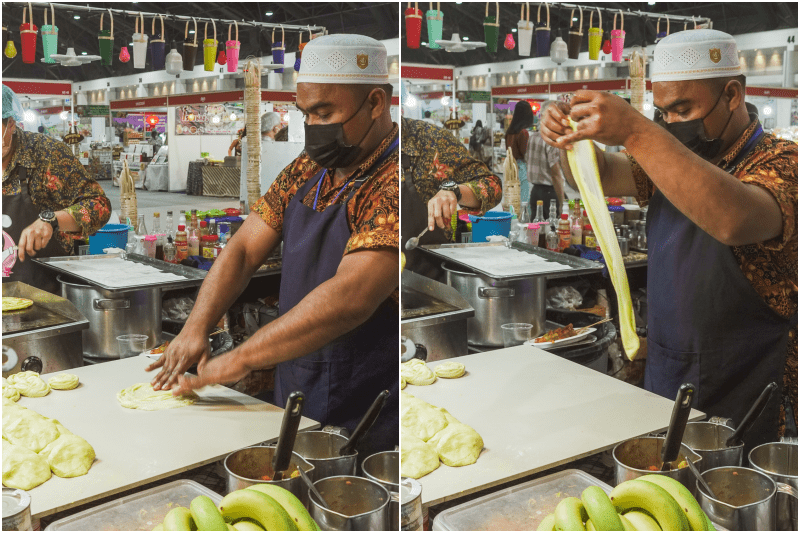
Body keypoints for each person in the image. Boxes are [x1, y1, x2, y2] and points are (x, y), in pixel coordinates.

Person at [540, 29, 797, 449]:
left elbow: (732, 217)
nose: (673, 124)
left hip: (745, 388)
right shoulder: (666, 157)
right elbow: (600, 174)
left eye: (683, 108)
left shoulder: (780, 163)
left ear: (732, 94)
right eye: (663, 113)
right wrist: (570, 138)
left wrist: (638, 131)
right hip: (668, 372)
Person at [150, 34, 399, 458]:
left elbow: (350, 297)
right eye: (305, 114)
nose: (314, 128)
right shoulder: (309, 168)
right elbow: (246, 247)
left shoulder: (394, 178)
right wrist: (196, 326)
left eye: (325, 112)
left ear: (375, 102)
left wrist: (243, 357)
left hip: (363, 402)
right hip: (295, 382)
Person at [2, 85, 111, 293]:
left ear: (12, 123)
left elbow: (100, 206)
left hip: (44, 297)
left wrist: (51, 220)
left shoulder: (47, 154)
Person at [401, 116, 502, 280]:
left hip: (430, 284)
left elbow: (492, 185)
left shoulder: (430, 140)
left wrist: (454, 191)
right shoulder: (351, 155)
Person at [527, 101, 567, 216]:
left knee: (535, 230)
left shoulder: (532, 137)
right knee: (552, 230)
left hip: (535, 192)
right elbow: (555, 175)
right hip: (549, 194)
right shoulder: (551, 140)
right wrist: (561, 203)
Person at [505, 101, 533, 208]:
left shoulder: (509, 131)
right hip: (521, 167)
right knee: (524, 200)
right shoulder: (523, 132)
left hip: (510, 167)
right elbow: (524, 152)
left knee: (513, 198)